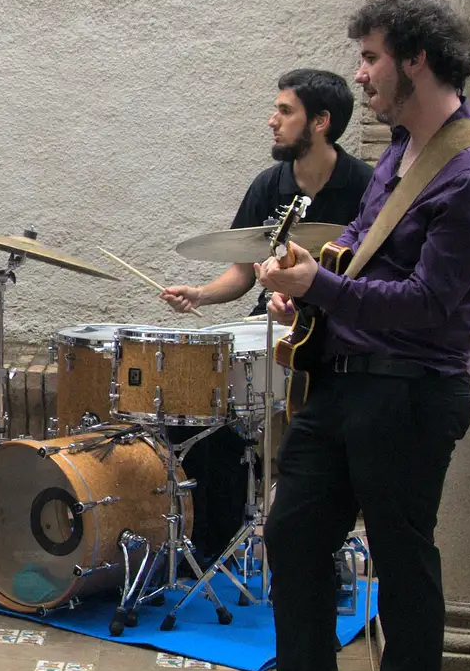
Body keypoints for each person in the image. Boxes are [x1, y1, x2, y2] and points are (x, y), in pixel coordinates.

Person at [210, 0, 470, 671]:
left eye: (373, 57)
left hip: (412, 393)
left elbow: (428, 305)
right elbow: (359, 247)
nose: (362, 74)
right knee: (294, 533)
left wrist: (323, 289)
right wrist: (300, 280)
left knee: (401, 560)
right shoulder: (402, 150)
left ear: (417, 59)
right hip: (345, 383)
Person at [159, 70, 373, 561]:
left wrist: (308, 301)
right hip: (269, 324)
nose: (271, 121)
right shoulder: (269, 184)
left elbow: (370, 278)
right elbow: (243, 271)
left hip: (334, 332)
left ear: (320, 122)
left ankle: (316, 541)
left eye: (285, 111)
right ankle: (213, 540)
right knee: (198, 401)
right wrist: (200, 294)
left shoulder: (364, 186)